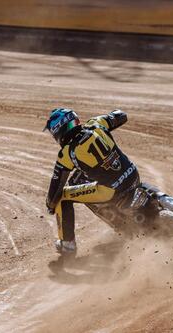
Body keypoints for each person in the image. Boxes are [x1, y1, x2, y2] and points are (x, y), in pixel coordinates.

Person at [43, 108, 140, 254]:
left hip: (111, 191)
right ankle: (166, 201)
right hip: (133, 174)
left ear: (59, 130)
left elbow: (56, 187)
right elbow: (121, 115)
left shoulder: (67, 153)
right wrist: (113, 116)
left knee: (62, 198)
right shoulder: (95, 123)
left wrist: (50, 205)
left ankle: (67, 244)